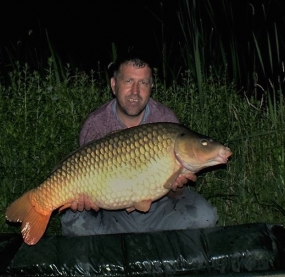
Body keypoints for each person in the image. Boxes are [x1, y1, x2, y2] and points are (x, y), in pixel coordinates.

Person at [60, 54, 218, 237]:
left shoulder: (166, 121)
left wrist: (176, 186)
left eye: (143, 83)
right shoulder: (96, 124)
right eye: (128, 81)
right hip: (112, 210)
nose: (135, 91)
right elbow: (88, 188)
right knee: (73, 222)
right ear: (114, 85)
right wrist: (84, 199)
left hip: (158, 207)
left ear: (151, 87)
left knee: (204, 217)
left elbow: (174, 195)